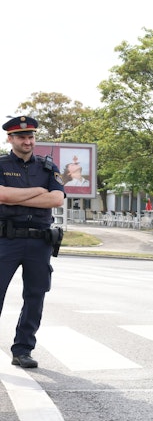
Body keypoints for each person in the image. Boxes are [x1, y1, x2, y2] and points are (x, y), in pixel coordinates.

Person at [0, 116, 66, 369]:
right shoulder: (1, 164)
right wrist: (39, 192)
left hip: (39, 241)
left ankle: (23, 349)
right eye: (21, 137)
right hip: (6, 239)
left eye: (31, 137)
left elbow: (56, 200)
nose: (27, 141)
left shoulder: (48, 167)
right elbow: (2, 194)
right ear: (10, 139)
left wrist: (14, 198)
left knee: (35, 296)